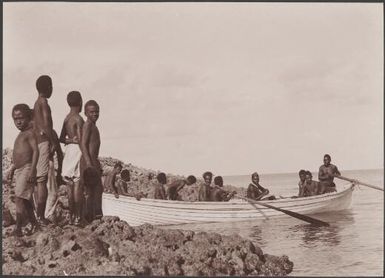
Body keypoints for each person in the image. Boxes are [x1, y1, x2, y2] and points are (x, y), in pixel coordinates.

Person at [9, 104, 40, 236]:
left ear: (28, 118)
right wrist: (12, 169)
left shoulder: (29, 133)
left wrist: (33, 170)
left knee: (19, 198)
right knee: (25, 198)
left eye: (21, 118)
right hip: (20, 169)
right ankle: (34, 223)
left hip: (28, 168)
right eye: (15, 119)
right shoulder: (21, 134)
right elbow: (20, 155)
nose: (18, 121)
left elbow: (35, 152)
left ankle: (18, 227)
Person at [33, 75, 55, 225]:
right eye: (51, 86)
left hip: (37, 142)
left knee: (38, 180)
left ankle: (38, 215)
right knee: (42, 181)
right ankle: (40, 217)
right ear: (48, 88)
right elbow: (47, 124)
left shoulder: (36, 103)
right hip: (43, 142)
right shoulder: (44, 103)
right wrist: (52, 142)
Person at [59, 91, 85, 225]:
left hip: (68, 151)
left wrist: (71, 141)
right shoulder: (79, 119)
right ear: (80, 102)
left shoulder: (67, 118)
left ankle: (71, 217)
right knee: (77, 185)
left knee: (69, 185)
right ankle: (78, 217)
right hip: (78, 152)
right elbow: (81, 140)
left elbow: (61, 138)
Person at [80, 100, 103, 222]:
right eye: (92, 112)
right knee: (91, 191)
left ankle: (93, 217)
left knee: (96, 190)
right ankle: (90, 218)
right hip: (88, 161)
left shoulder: (93, 125)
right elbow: (83, 144)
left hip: (93, 161)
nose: (95, 114)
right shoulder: (88, 124)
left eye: (97, 111)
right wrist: (89, 164)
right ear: (86, 113)